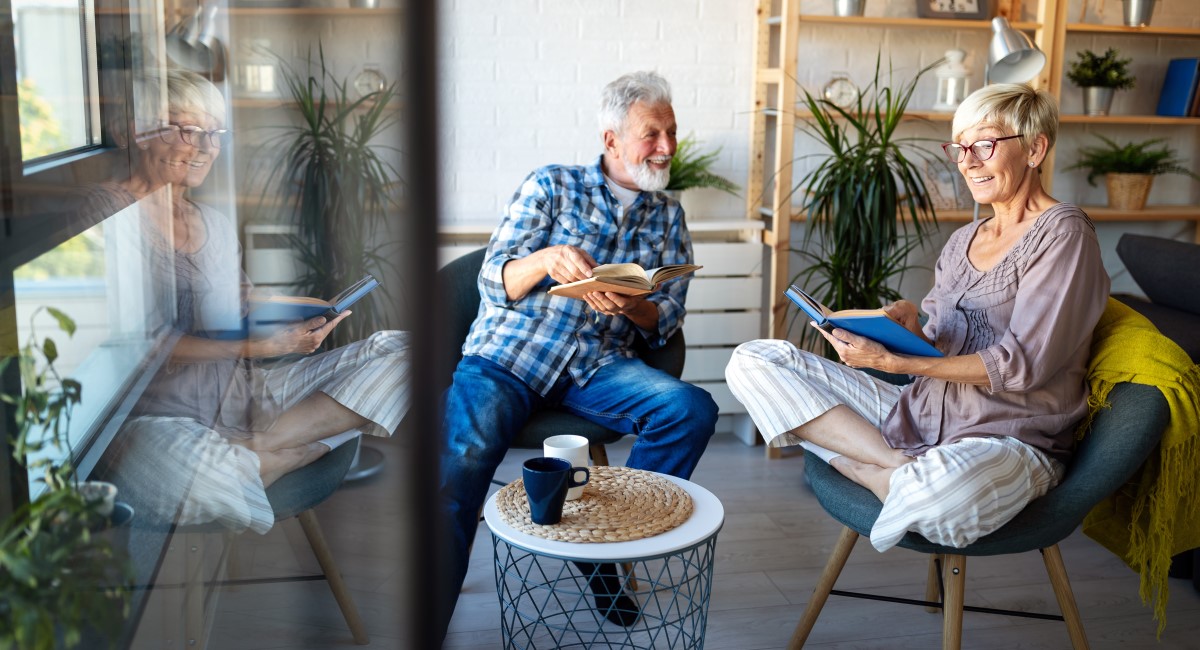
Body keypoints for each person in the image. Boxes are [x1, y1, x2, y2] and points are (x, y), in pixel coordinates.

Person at [726, 83, 1109, 552]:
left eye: (984, 145)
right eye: (960, 148)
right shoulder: (962, 240)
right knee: (754, 360)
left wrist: (899, 364)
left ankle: (867, 467)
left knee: (940, 495)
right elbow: (940, 346)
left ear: (1035, 148)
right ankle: (893, 466)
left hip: (1008, 438)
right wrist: (907, 332)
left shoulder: (1064, 233)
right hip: (920, 419)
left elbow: (1022, 366)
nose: (968, 161)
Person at [438, 71, 719, 633]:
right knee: (463, 461)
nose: (666, 147)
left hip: (598, 365)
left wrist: (633, 304)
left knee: (691, 409)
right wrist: (546, 260)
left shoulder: (669, 217)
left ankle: (606, 546)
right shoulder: (551, 185)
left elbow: (663, 324)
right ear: (612, 139)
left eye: (671, 132)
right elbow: (493, 282)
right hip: (510, 354)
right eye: (651, 134)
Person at [95, 69, 411, 533]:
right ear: (134, 133)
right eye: (188, 129)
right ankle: (300, 449)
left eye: (214, 134)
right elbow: (138, 346)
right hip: (157, 419)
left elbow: (240, 300)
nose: (204, 147)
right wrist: (260, 348)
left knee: (407, 353)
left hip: (242, 397)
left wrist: (307, 306)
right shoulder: (109, 214)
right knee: (203, 479)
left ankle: (259, 446)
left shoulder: (214, 224)